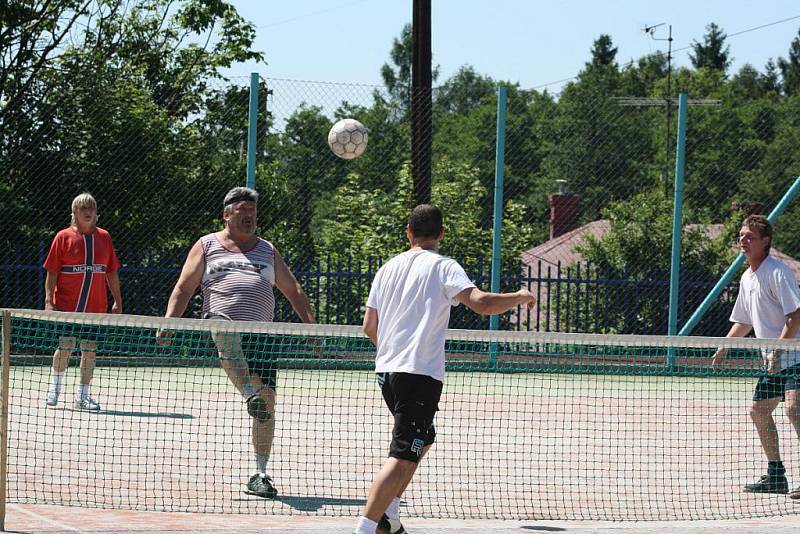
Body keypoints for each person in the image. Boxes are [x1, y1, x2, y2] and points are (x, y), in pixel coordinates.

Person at [354, 204, 537, 534]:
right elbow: (480, 304)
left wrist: (392, 353)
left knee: (422, 440)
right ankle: (365, 529)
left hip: (387, 373)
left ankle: (390, 517)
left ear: (408, 232)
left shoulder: (387, 268)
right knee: (402, 453)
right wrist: (520, 296)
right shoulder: (443, 266)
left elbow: (370, 326)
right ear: (441, 233)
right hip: (418, 375)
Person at [161, 186, 315, 499]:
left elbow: (293, 290)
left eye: (252, 213)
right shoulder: (206, 245)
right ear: (226, 214)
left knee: (267, 402)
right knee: (221, 325)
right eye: (242, 212)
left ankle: (259, 473)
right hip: (222, 322)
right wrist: (169, 323)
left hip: (261, 333)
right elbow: (184, 287)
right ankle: (247, 392)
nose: (248, 217)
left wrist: (313, 328)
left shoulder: (268, 250)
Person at [712, 214, 800, 499]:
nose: (743, 240)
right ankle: (776, 476)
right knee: (759, 411)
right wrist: (726, 345)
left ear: (765, 241)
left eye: (749, 237)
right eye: (741, 236)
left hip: (795, 355)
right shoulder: (748, 277)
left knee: (793, 410)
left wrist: (778, 348)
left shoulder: (778, 272)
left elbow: (795, 314)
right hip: (773, 360)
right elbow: (745, 320)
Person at [44, 193, 123, 411]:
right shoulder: (62, 237)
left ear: (96, 212)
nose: (87, 211)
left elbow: (111, 272)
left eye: (91, 208)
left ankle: (83, 397)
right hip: (67, 307)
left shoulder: (104, 237)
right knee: (66, 346)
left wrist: (117, 301)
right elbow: (51, 272)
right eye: (82, 208)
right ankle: (55, 389)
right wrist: (48, 301)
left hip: (96, 308)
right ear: (74, 213)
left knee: (90, 350)